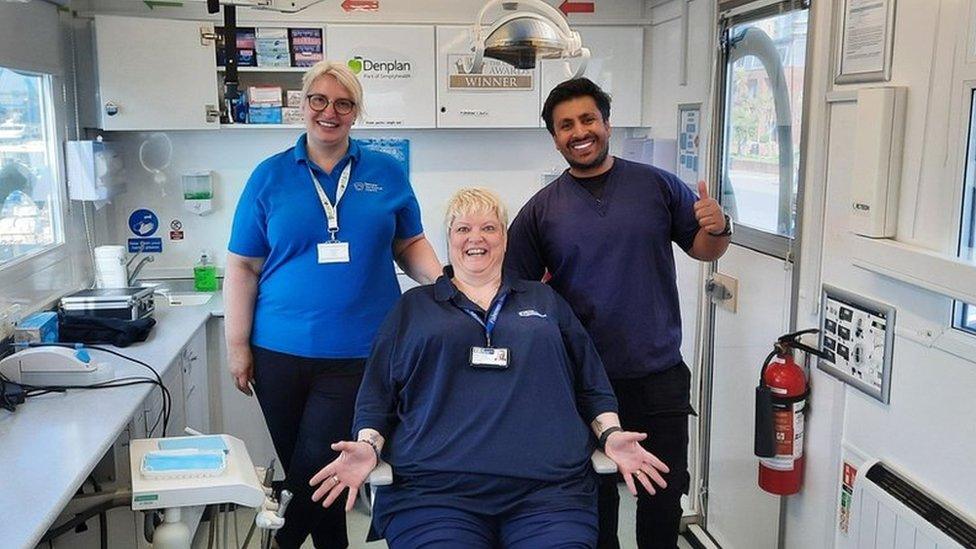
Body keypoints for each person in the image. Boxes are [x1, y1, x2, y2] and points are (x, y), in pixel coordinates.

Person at [308, 188, 670, 549]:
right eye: (462, 229)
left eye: (489, 228)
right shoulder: (413, 308)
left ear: (505, 237)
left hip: (548, 494)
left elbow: (591, 385)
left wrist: (611, 434)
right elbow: (377, 396)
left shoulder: (545, 300)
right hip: (433, 494)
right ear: (447, 239)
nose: (475, 238)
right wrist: (369, 445)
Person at [504, 78, 732, 549]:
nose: (578, 131)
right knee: (593, 500)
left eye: (587, 119)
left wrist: (720, 227)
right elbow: (511, 291)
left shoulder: (655, 185)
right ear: (555, 137)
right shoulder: (541, 211)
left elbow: (704, 248)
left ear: (607, 124)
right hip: (581, 383)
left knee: (662, 495)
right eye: (565, 125)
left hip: (658, 375)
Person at [224, 60, 442, 548]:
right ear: (302, 106)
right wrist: (237, 344)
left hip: (359, 352)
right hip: (276, 353)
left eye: (343, 104)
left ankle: (279, 542)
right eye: (318, 100)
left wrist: (443, 280)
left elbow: (410, 244)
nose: (329, 112)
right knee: (315, 472)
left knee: (317, 471)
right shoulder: (269, 177)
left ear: (355, 113)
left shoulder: (386, 173)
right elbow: (242, 266)